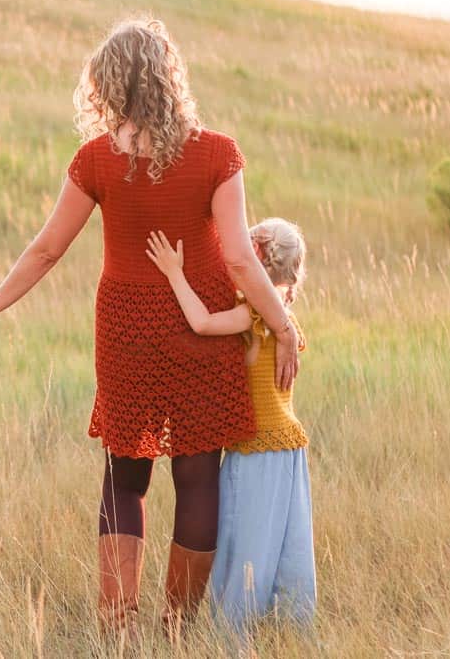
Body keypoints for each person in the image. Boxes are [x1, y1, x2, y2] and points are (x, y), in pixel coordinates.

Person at [0, 19, 300, 637]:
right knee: (196, 477)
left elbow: (44, 250)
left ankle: (116, 630)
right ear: (170, 77)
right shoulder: (217, 153)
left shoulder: (96, 160)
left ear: (107, 85)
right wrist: (286, 327)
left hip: (125, 333)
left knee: (124, 475)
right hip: (200, 332)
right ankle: (175, 630)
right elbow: (244, 262)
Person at [146, 220, 315, 633]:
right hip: (290, 450)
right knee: (285, 546)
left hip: (255, 451)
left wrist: (174, 273)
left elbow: (201, 323)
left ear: (254, 253)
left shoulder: (255, 314)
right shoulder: (285, 321)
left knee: (246, 545)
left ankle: (232, 639)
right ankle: (288, 633)